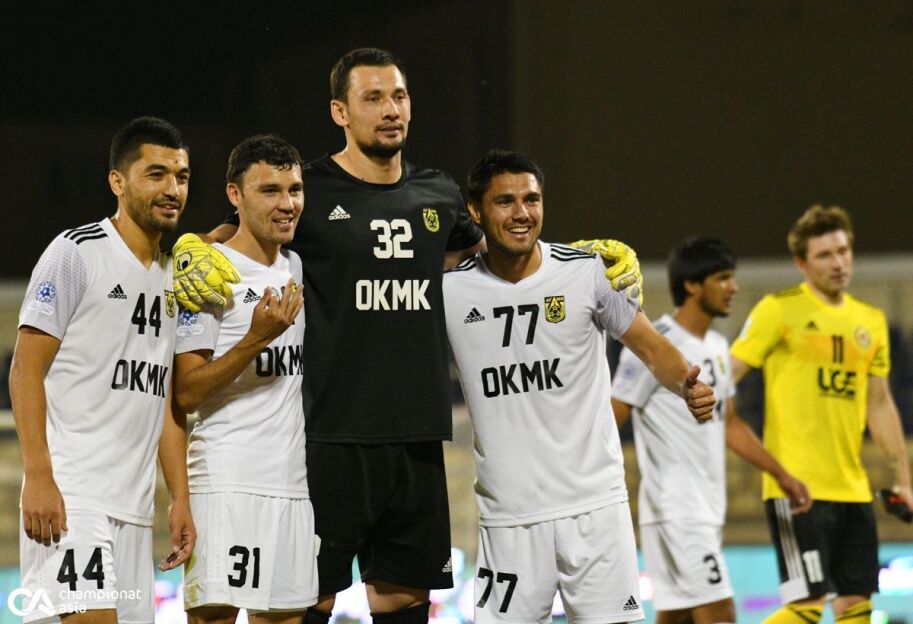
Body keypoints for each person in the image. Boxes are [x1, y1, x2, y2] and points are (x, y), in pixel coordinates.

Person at [171, 48, 641, 624]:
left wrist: (581, 258)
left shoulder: (438, 191)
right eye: (373, 98)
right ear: (340, 112)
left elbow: (503, 253)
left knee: (404, 600)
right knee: (309, 600)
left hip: (417, 438)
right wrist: (193, 245)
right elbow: (246, 226)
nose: (390, 110)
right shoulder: (308, 189)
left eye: (398, 96)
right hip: (329, 439)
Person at [443, 149, 717, 623]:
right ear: (476, 211)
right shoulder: (450, 291)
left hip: (596, 506)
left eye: (531, 199)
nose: (522, 213)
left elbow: (652, 347)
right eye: (505, 201)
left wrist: (687, 384)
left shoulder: (587, 272)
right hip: (509, 517)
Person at [9, 116, 195, 624]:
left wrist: (179, 499)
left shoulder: (175, 276)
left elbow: (163, 399)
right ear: (118, 181)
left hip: (134, 511)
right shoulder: (76, 252)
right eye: (156, 174)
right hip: (73, 497)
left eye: (181, 176)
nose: (172, 189)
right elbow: (25, 369)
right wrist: (39, 475)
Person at [611, 237, 811, 624]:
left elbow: (729, 422)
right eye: (722, 278)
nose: (733, 287)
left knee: (679, 617)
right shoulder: (656, 343)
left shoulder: (718, 347)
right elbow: (614, 412)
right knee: (721, 613)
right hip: (676, 508)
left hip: (704, 509)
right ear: (691, 285)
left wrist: (781, 474)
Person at [729, 205, 913, 624]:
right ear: (802, 263)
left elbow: (880, 405)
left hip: (853, 489)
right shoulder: (778, 311)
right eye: (825, 255)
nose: (838, 263)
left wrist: (904, 480)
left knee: (856, 606)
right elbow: (726, 376)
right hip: (798, 489)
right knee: (807, 606)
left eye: (843, 251)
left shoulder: (870, 321)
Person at [171, 135, 311, 623]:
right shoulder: (208, 273)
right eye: (270, 191)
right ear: (235, 194)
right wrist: (255, 339)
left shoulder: (294, 264)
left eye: (294, 190)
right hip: (226, 482)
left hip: (291, 485)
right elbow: (186, 392)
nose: (287, 204)